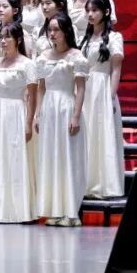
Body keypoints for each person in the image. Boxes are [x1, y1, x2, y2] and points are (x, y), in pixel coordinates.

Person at [33, 12, 87, 226]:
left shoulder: (76, 56)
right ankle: (55, 210)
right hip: (49, 109)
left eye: (56, 29)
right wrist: (38, 114)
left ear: (66, 31)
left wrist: (76, 115)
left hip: (66, 107)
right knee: (51, 157)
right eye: (50, 30)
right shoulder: (44, 56)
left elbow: (81, 89)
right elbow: (41, 88)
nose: (52, 33)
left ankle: (72, 213)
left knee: (68, 157)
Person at [0, 22, 37, 223]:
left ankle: (18, 209)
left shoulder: (27, 64)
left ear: (18, 39)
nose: (3, 41)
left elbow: (32, 96)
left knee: (15, 157)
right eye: (1, 37)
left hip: (16, 111)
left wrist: (29, 122)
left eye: (7, 37)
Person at [78, 0, 124, 199]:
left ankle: (104, 185)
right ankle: (86, 183)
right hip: (85, 90)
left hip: (102, 88)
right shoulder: (84, 39)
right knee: (87, 133)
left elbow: (116, 69)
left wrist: (110, 96)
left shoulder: (114, 37)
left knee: (101, 133)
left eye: (94, 10)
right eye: (88, 10)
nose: (90, 14)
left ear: (105, 12)